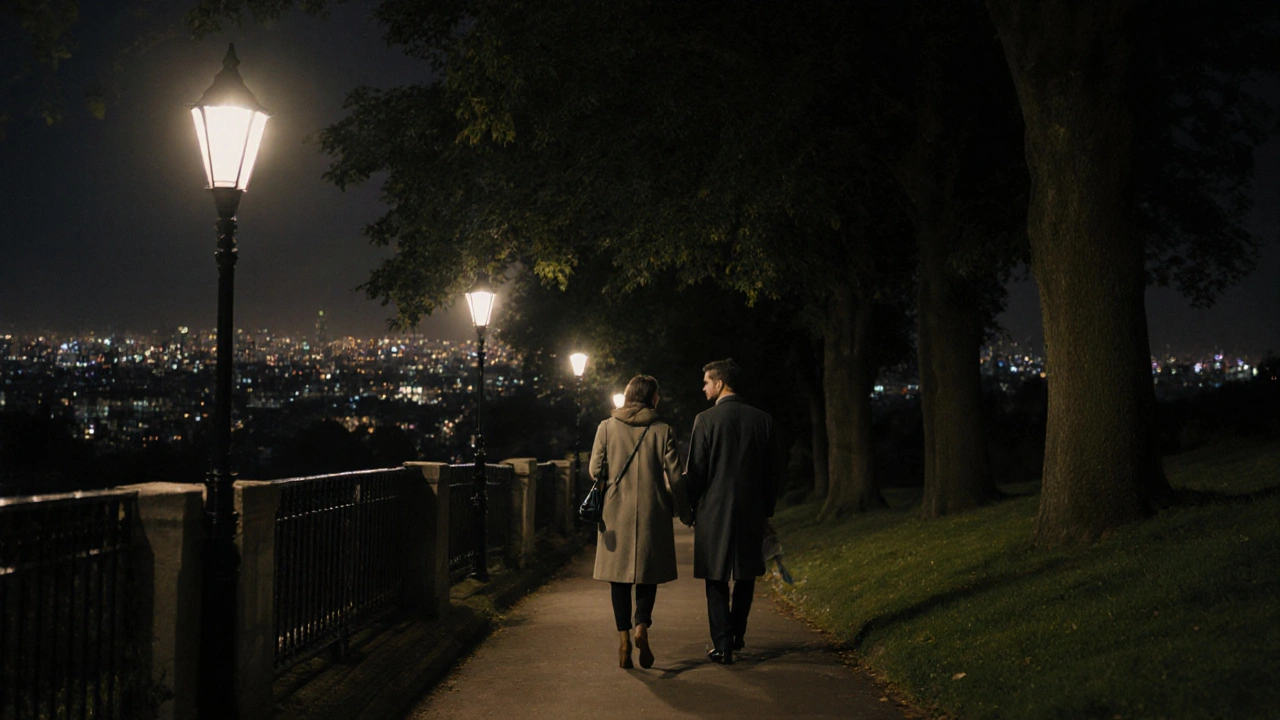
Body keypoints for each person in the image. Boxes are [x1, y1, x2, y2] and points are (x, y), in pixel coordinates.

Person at [589, 374, 691, 669]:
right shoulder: (662, 430)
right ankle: (641, 627)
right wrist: (684, 510)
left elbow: (596, 470)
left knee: (618, 580)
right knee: (647, 575)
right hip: (652, 511)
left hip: (614, 511)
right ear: (651, 397)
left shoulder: (606, 428)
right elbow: (674, 475)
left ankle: (622, 640)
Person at [684, 358, 777, 665]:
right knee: (746, 573)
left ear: (720, 384)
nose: (703, 387)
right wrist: (767, 510)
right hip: (751, 508)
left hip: (714, 509)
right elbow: (771, 473)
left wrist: (689, 506)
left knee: (716, 577)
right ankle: (737, 633)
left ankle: (722, 643)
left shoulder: (706, 420)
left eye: (707, 382)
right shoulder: (763, 420)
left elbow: (696, 470)